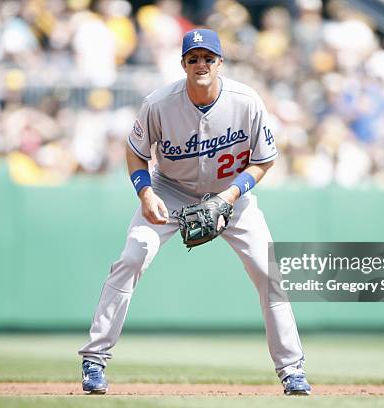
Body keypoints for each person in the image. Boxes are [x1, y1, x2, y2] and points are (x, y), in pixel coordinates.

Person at [78, 28, 311, 396]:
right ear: (183, 63)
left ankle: (292, 370)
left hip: (231, 194)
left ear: (220, 62)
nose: (201, 64)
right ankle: (94, 359)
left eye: (208, 58)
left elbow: (264, 161)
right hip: (170, 191)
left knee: (269, 272)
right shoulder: (158, 103)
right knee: (132, 256)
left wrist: (229, 198)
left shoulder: (246, 101)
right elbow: (135, 152)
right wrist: (145, 192)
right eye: (193, 58)